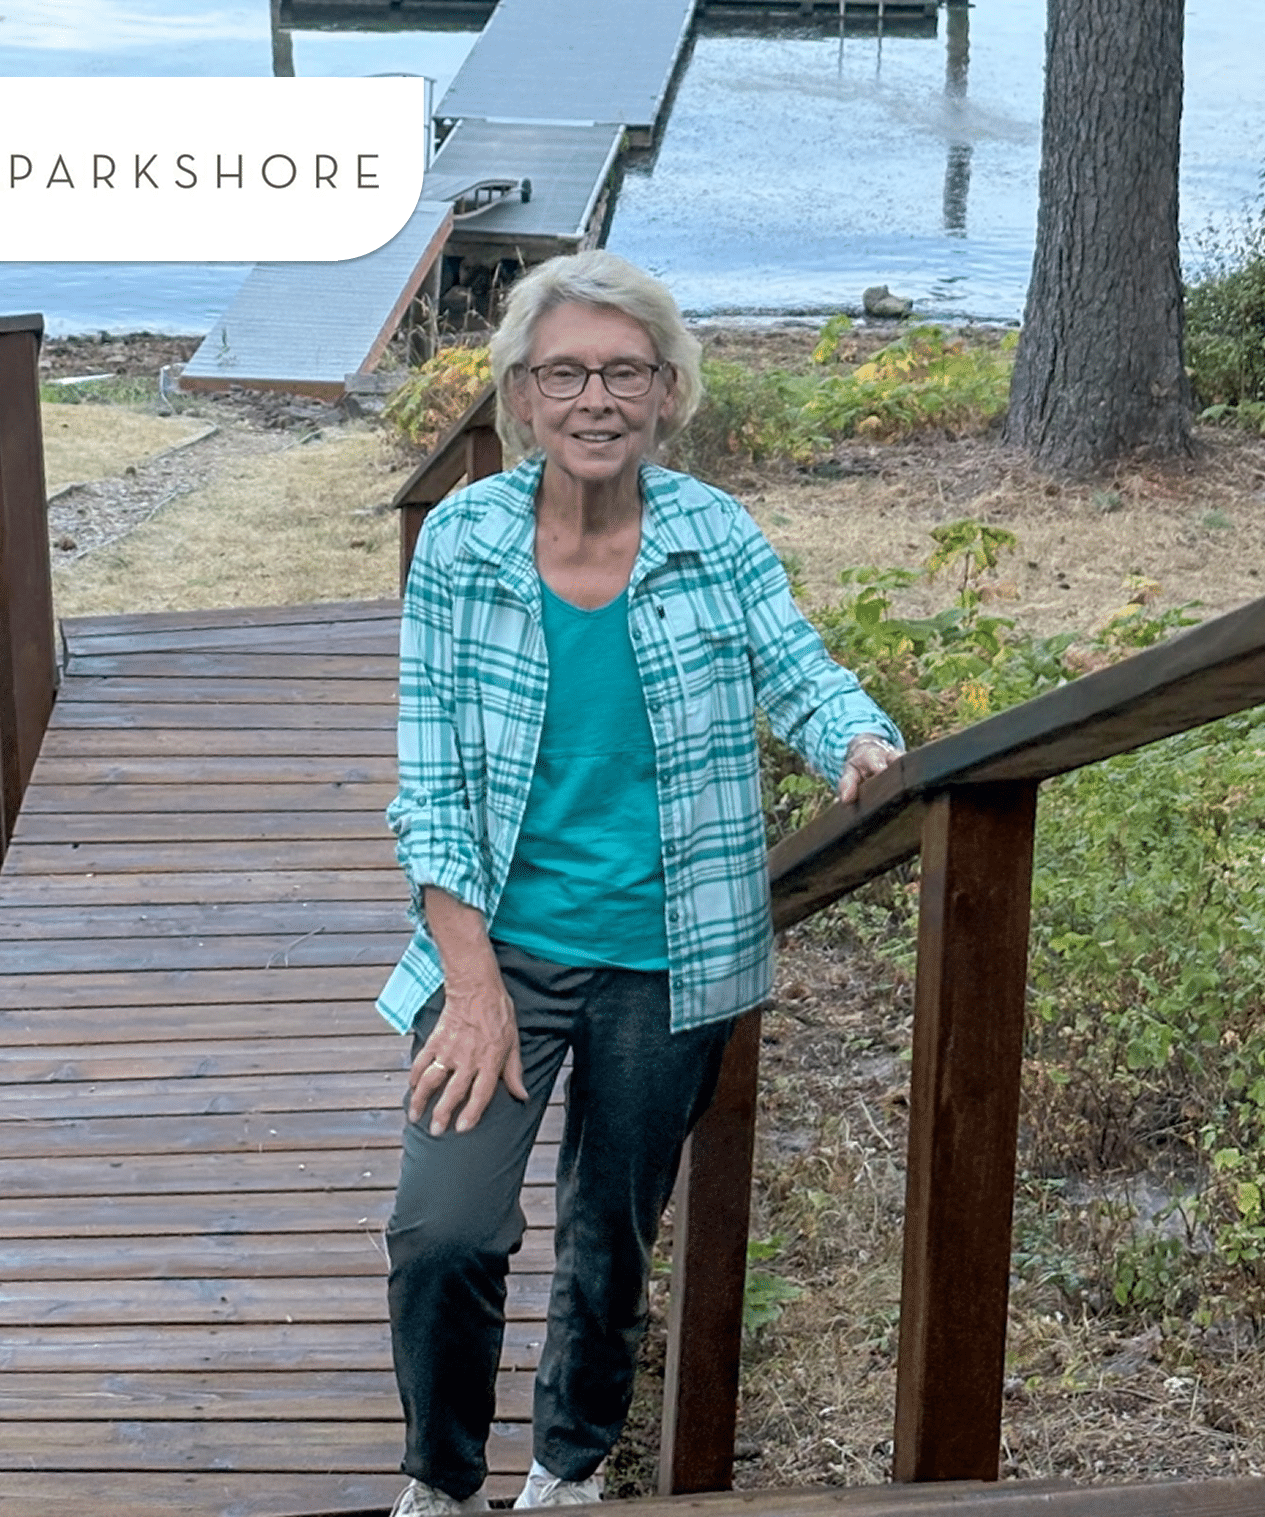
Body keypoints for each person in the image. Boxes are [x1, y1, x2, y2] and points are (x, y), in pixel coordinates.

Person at [377, 250, 903, 1517]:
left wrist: (856, 736)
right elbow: (431, 784)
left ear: (667, 392)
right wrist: (471, 982)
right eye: (564, 372)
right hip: (498, 948)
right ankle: (443, 1479)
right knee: (442, 1229)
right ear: (521, 394)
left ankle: (567, 1462)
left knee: (610, 1234)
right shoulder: (462, 542)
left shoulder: (715, 538)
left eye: (622, 371)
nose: (594, 398)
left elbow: (797, 667)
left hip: (670, 953)